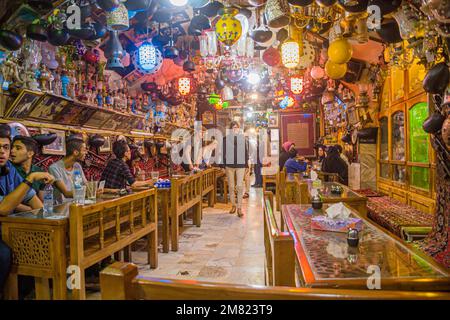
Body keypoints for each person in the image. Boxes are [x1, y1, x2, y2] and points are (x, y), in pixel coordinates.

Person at [0, 129, 54, 298]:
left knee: (42, 243)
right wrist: (30, 179)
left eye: (5, 147)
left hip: (8, 227)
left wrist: (47, 220)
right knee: (3, 255)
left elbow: (33, 201)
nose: (2, 151)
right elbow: (3, 208)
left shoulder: (8, 168)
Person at [10, 135, 71, 201]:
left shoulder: (39, 172)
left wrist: (48, 186)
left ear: (30, 153)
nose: (12, 151)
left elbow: (43, 200)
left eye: (18, 148)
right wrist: (35, 209)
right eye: (12, 148)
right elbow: (7, 201)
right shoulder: (8, 169)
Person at [48, 138, 88, 204]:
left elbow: (85, 184)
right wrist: (88, 193)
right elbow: (66, 193)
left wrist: (94, 190)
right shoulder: (54, 168)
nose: (86, 153)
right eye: (84, 150)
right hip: (62, 208)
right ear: (75, 152)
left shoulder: (77, 166)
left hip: (77, 203)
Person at [221, 121, 249, 217]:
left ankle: (240, 208)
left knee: (240, 186)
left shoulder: (242, 139)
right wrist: (223, 166)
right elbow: (222, 152)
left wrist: (246, 165)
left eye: (237, 127)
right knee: (231, 187)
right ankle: (233, 205)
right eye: (233, 127)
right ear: (230, 129)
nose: (235, 129)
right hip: (229, 166)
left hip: (241, 165)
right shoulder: (225, 139)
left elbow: (246, 152)